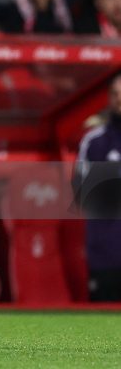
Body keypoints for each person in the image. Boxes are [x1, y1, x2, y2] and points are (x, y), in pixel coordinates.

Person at [74, 72, 121, 301]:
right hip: (106, 254)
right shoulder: (94, 142)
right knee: (103, 332)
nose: (120, 99)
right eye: (115, 94)